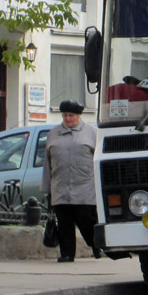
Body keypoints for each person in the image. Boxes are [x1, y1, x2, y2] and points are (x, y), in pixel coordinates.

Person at [41, 100, 100, 262]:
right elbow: (47, 162)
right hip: (60, 187)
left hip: (85, 187)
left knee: (87, 221)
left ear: (79, 116)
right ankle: (67, 254)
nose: (68, 119)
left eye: (71, 115)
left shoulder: (92, 133)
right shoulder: (53, 133)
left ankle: (97, 247)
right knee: (64, 224)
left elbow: (98, 160)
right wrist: (47, 188)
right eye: (65, 115)